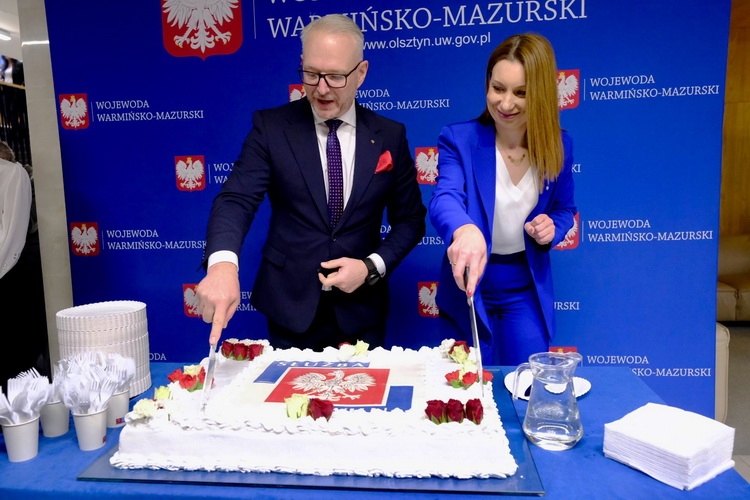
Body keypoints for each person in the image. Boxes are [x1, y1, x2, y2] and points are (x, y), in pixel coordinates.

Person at [196, 14, 426, 351]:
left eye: (335, 76)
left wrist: (370, 267)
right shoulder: (271, 128)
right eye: (311, 73)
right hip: (290, 308)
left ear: (361, 73)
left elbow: (410, 220)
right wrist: (222, 265)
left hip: (363, 311)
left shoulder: (390, 135)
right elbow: (236, 199)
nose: (321, 88)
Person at [429, 33, 576, 366]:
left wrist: (553, 227)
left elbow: (565, 208)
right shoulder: (459, 138)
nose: (506, 104)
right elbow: (445, 197)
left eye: (521, 93)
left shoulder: (560, 146)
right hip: (467, 282)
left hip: (525, 285)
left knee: (524, 381)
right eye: (498, 88)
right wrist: (465, 229)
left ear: (540, 94)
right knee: (465, 386)